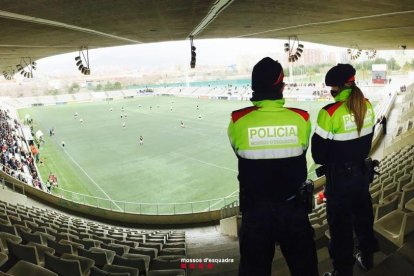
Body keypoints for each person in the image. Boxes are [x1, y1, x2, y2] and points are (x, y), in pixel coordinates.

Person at [228, 57, 319, 276]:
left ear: (253, 87)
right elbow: (303, 149)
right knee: (305, 269)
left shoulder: (238, 121)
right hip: (293, 209)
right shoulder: (302, 119)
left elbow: (238, 151)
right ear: (281, 86)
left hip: (256, 214)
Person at [311, 64, 378, 276]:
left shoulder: (329, 113)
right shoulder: (367, 105)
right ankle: (367, 259)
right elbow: (366, 142)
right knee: (363, 219)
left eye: (331, 88)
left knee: (340, 228)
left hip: (340, 180)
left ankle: (343, 271)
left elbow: (318, 155)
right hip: (361, 174)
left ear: (338, 88)